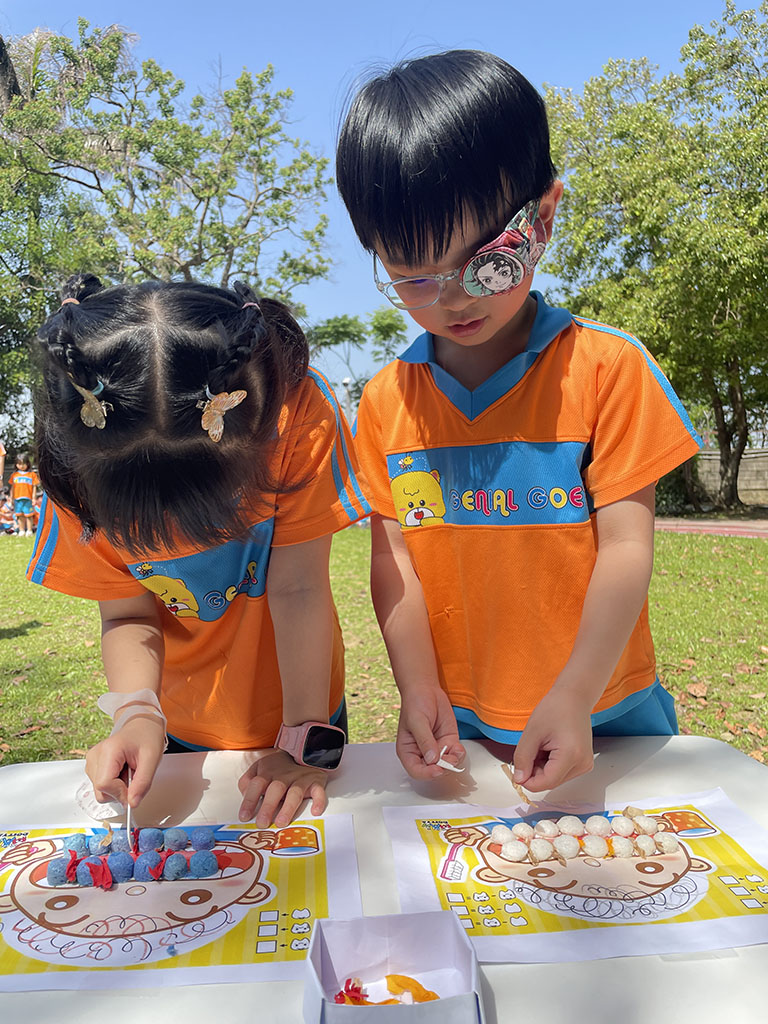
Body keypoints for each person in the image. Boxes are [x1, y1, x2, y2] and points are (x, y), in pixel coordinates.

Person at [336, 50, 702, 793]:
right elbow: (395, 559)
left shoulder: (606, 370)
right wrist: (417, 687)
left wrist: (573, 696)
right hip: (462, 729)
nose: (453, 299)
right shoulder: (387, 402)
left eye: (487, 262)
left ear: (544, 216)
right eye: (413, 275)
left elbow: (625, 549)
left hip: (608, 715)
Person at [27, 275, 371, 826]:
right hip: (177, 717)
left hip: (303, 707)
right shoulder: (74, 464)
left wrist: (306, 741)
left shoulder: (296, 412)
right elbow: (128, 612)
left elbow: (298, 587)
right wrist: (137, 712)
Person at [8, 452, 39, 536]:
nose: (21, 466)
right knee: (19, 515)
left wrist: (34, 498)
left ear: (27, 464)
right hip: (17, 499)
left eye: (23, 464)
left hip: (28, 498)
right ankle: (21, 530)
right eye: (19, 464)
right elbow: (12, 488)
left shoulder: (32, 475)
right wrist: (11, 498)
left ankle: (29, 530)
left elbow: (34, 487)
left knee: (29, 515)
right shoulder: (14, 475)